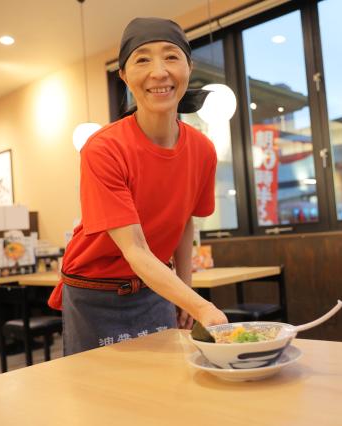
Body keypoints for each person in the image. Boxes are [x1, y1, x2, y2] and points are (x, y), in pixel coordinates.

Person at [48, 17, 228, 355]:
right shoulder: (104, 148)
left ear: (188, 67)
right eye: (142, 59)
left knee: (166, 387)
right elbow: (136, 250)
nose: (159, 71)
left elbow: (184, 221)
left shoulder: (203, 150)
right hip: (94, 289)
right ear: (124, 76)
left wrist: (186, 293)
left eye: (171, 57)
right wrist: (202, 306)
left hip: (156, 286)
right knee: (99, 392)